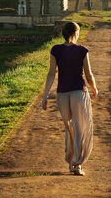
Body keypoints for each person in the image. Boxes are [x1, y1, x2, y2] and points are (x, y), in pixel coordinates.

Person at [38, 20, 98, 175]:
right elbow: (88, 74)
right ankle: (78, 164)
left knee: (69, 128)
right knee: (81, 128)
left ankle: (71, 161)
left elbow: (51, 73)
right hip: (79, 92)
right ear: (76, 33)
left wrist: (45, 96)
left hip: (62, 94)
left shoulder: (55, 50)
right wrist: (94, 89)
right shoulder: (82, 50)